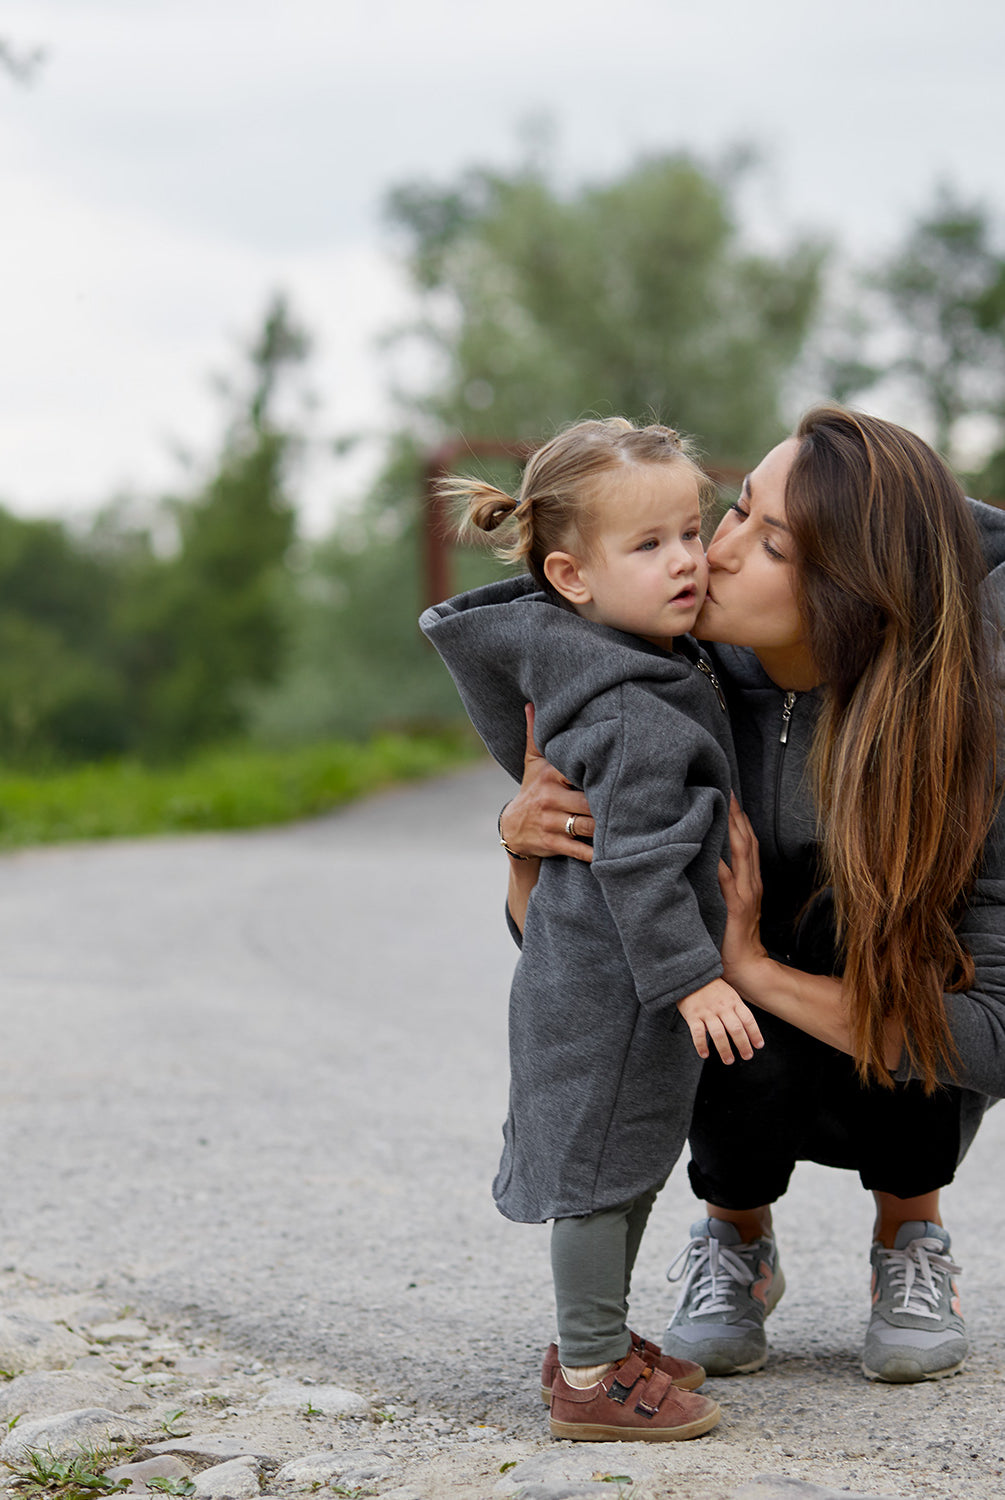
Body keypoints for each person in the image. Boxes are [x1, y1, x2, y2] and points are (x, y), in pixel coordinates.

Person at [499, 405, 1005, 1385]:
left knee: (910, 950)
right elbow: (568, 961)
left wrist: (754, 970)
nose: (713, 554)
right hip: (735, 1053)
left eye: (767, 541)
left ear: (856, 590)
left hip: (888, 1030)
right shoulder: (650, 684)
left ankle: (912, 1237)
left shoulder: (976, 720)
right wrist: (532, 851)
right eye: (735, 512)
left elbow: (996, 1032)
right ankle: (736, 1238)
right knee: (695, 983)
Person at [420, 417, 764, 1441]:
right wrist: (693, 979)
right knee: (595, 1175)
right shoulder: (627, 708)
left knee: (634, 1156)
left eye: (692, 531)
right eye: (649, 546)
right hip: (615, 990)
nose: (689, 561)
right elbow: (642, 863)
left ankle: (603, 1336)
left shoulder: (641, 662)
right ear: (570, 576)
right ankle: (586, 1375)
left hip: (620, 985)